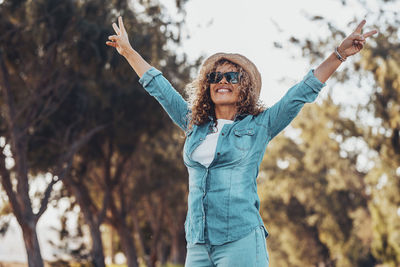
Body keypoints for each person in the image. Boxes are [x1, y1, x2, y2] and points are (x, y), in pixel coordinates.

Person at [106, 16, 377, 267]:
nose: (221, 81)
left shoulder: (260, 126)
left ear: (243, 85)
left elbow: (301, 92)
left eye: (231, 76)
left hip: (240, 240)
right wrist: (128, 51)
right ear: (207, 86)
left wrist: (338, 55)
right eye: (215, 77)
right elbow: (160, 88)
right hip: (198, 243)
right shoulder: (194, 125)